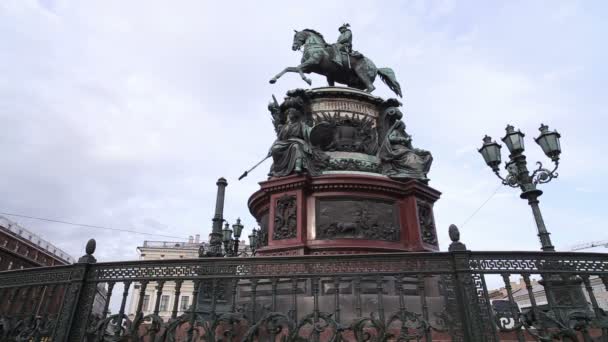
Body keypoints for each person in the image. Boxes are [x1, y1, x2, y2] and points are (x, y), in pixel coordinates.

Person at [269, 105, 328, 177]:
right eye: (289, 114)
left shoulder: (300, 124)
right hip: (285, 142)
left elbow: (308, 133)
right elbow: (279, 139)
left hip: (298, 141)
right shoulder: (284, 127)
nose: (290, 115)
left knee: (296, 147)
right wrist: (271, 148)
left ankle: (298, 166)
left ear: (295, 115)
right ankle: (277, 169)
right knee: (275, 149)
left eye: (292, 114)